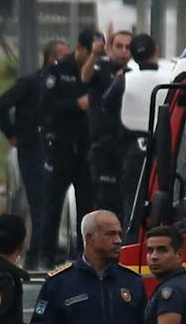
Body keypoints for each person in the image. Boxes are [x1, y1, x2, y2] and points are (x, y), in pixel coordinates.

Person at [0, 40, 65, 243]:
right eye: (62, 56)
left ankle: (48, 245)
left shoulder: (65, 85)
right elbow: (1, 106)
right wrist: (12, 134)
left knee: (52, 201)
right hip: (33, 147)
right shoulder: (31, 83)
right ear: (51, 58)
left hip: (58, 148)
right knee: (38, 200)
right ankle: (37, 249)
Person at [38, 31, 98, 267]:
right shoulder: (59, 71)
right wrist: (75, 105)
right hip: (60, 147)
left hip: (84, 149)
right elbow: (47, 105)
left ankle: (83, 256)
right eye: (90, 53)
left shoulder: (96, 72)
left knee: (86, 206)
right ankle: (46, 256)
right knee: (52, 204)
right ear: (80, 49)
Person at [105, 32, 164, 230]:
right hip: (166, 149)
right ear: (156, 50)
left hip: (134, 149)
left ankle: (131, 248)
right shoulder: (171, 76)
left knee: (133, 205)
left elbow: (107, 104)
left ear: (133, 55)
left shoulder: (125, 80)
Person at [86, 29, 132, 213]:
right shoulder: (101, 68)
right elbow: (85, 77)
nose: (123, 51)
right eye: (119, 46)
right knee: (105, 200)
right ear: (110, 48)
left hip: (128, 146)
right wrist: (95, 54)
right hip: (104, 147)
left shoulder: (135, 72)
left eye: (128, 47)